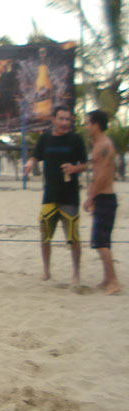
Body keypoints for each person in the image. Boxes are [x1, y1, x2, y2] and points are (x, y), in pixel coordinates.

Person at [22, 106, 87, 284]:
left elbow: (87, 164)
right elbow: (36, 156)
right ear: (53, 119)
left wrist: (75, 168)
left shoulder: (76, 139)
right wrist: (30, 163)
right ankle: (46, 270)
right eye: (61, 119)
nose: (65, 123)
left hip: (70, 196)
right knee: (45, 236)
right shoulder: (45, 139)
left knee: (73, 237)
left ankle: (76, 273)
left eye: (68, 119)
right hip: (49, 195)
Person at [83, 109, 120, 295]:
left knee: (101, 242)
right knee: (101, 241)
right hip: (102, 197)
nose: (86, 126)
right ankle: (107, 279)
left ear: (96, 124)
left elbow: (103, 175)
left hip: (105, 197)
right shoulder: (98, 144)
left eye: (88, 123)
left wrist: (91, 196)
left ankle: (113, 281)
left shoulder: (104, 145)